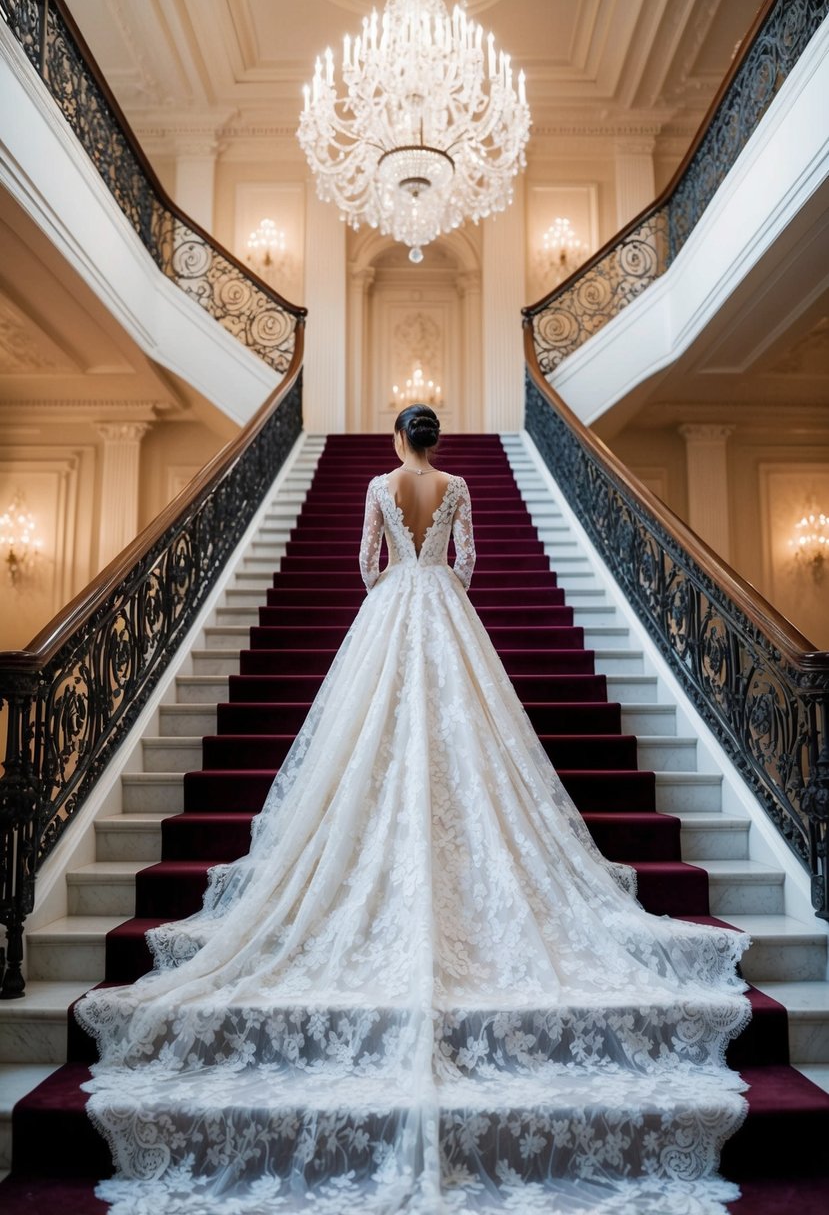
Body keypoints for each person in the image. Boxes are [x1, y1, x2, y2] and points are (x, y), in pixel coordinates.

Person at [76, 404, 751, 1214]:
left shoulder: (376, 484)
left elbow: (366, 564)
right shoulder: (460, 485)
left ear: (400, 440)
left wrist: (396, 585)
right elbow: (468, 563)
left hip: (392, 608)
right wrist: (439, 587)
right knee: (468, 731)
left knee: (374, 730)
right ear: (440, 441)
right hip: (444, 611)